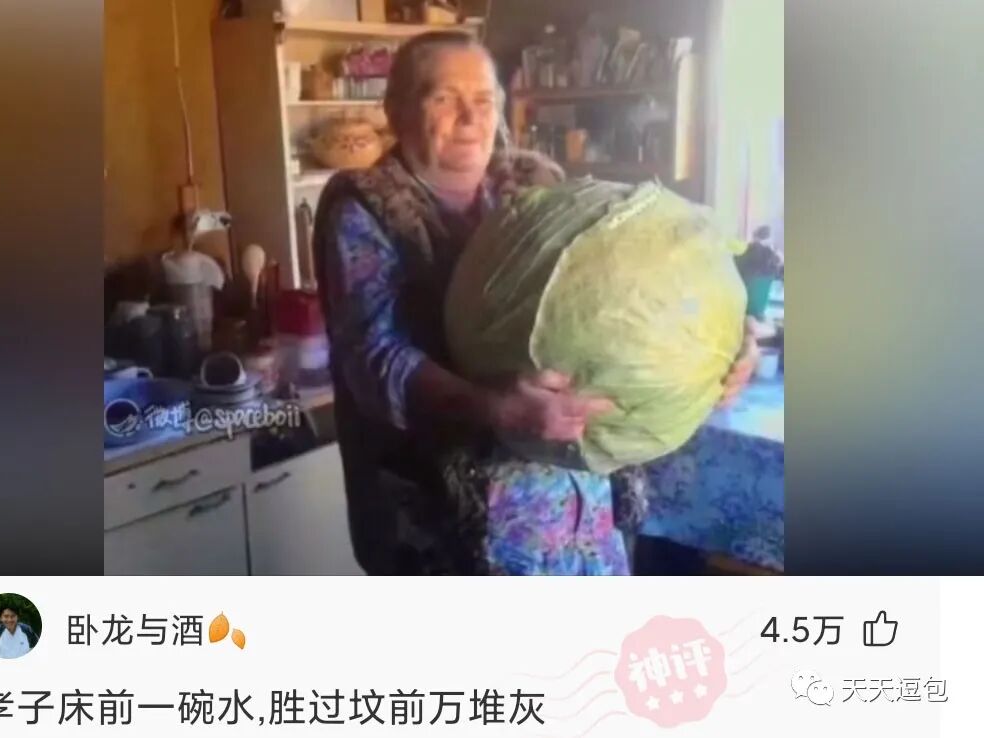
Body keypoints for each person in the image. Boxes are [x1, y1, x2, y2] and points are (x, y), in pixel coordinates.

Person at [313, 31, 757, 575]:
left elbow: (633, 289)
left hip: (577, 513)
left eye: (484, 100)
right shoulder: (363, 208)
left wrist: (728, 340)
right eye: (444, 98)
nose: (470, 118)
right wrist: (493, 408)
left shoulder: (533, 189)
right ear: (396, 109)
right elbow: (373, 357)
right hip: (447, 527)